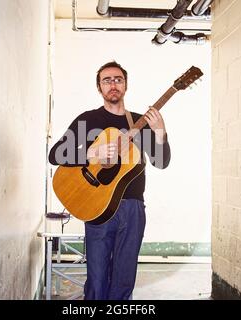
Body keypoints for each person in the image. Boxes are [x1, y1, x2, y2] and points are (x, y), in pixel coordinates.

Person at [49, 61, 171, 300]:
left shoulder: (140, 123)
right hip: (96, 205)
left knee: (125, 276)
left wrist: (160, 133)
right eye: (107, 80)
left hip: (132, 207)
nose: (113, 84)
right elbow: (55, 154)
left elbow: (161, 162)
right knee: (97, 275)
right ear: (99, 88)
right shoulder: (88, 120)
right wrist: (91, 154)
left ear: (125, 85)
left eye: (118, 79)